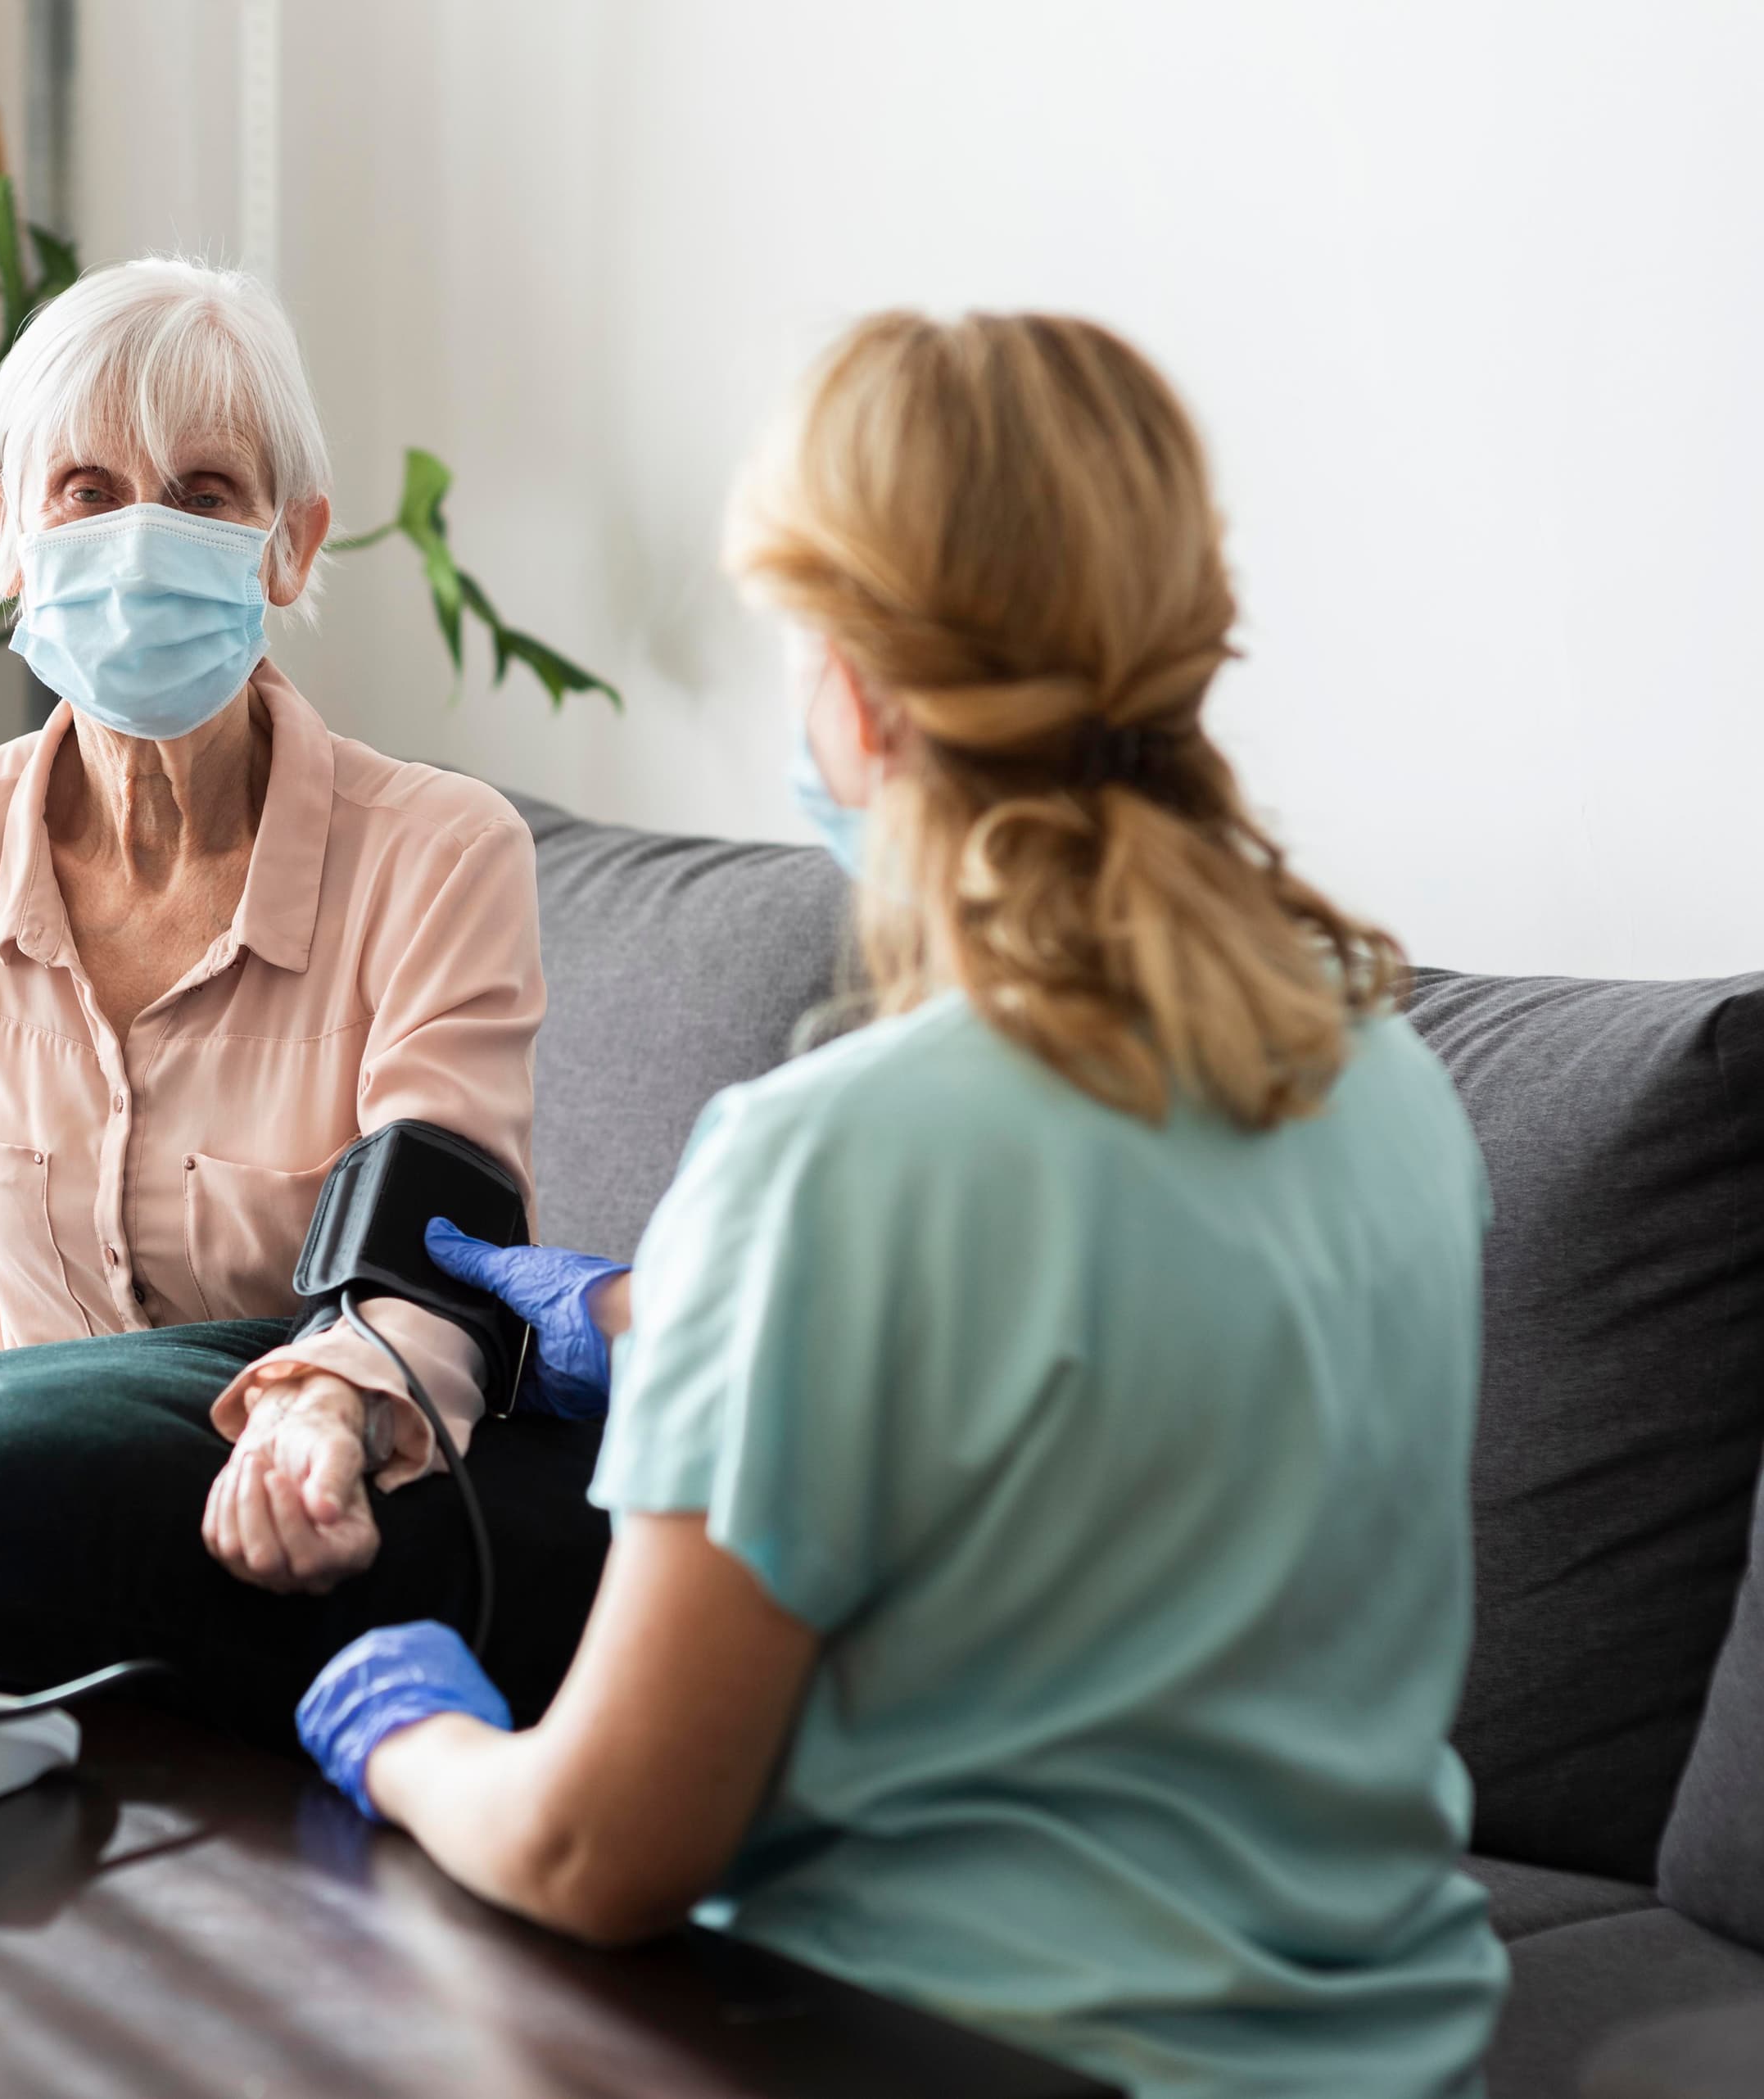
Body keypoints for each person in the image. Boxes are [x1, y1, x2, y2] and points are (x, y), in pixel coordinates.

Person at [297, 313, 1508, 2097]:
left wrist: (403, 1730)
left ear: (858, 690)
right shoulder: (1394, 1088)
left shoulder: (828, 1164)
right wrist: (690, 1341)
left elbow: (599, 1854)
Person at [0, 258, 547, 1599]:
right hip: (21, 1512)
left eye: (205, 494)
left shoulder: (443, 856)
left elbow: (435, 1250)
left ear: (292, 543)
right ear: (1, 535)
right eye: (86, 492)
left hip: (322, 1498)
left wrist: (322, 1415)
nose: (140, 538)